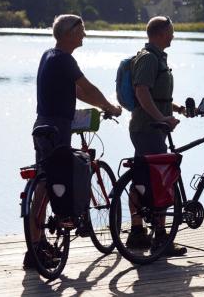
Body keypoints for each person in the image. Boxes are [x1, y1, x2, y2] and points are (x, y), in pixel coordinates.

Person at [23, 14, 122, 269]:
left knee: (44, 184)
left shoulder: (49, 55)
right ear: (69, 34)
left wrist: (101, 107)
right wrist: (110, 106)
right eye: (81, 31)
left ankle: (36, 246)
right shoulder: (65, 60)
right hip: (57, 128)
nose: (84, 35)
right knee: (51, 183)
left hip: (42, 124)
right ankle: (39, 244)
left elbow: (76, 92)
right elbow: (87, 87)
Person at [127, 15, 187, 256]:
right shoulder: (150, 58)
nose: (173, 36)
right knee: (160, 180)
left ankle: (138, 232)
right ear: (161, 33)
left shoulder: (154, 57)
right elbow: (141, 92)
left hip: (149, 128)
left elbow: (153, 95)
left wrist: (176, 108)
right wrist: (161, 119)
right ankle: (160, 237)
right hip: (148, 129)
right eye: (171, 32)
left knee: (141, 178)